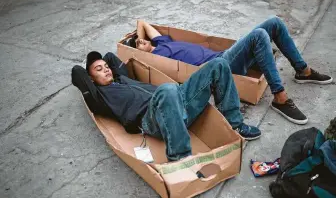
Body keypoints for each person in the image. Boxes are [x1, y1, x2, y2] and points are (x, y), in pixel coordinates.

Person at [134, 18, 333, 125]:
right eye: (137, 44)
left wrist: (142, 38)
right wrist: (137, 50)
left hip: (225, 54)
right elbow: (138, 57)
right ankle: (280, 98)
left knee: (275, 23)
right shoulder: (158, 57)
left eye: (140, 39)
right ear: (139, 52)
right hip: (219, 65)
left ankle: (303, 71)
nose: (140, 40)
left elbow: (142, 22)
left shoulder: (161, 42)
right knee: (259, 35)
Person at [78, 51, 261, 161]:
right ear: (91, 79)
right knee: (168, 89)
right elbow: (77, 74)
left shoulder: (123, 78)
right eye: (99, 69)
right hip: (152, 118)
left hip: (177, 103)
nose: (106, 69)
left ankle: (235, 124)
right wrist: (89, 71)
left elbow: (111, 57)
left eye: (106, 66)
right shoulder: (101, 97)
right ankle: (180, 158)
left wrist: (104, 62)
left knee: (219, 64)